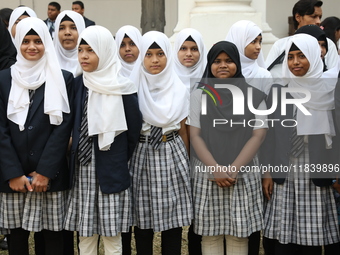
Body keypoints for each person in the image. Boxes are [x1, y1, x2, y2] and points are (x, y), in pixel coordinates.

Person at [64, 25, 142, 255]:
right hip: (83, 170)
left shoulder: (122, 87)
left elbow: (132, 131)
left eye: (91, 50)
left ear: (105, 51)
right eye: (81, 50)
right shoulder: (78, 84)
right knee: (86, 234)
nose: (84, 56)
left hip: (111, 167)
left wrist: (115, 157)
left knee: (111, 234)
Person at [0, 16, 74, 255]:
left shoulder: (63, 78)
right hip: (14, 177)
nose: (32, 46)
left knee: (53, 238)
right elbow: (0, 129)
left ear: (47, 43)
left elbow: (63, 127)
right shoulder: (3, 79)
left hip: (50, 176)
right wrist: (13, 172)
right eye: (26, 41)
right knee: (17, 239)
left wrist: (45, 171)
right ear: (17, 42)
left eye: (38, 41)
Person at [261, 33, 340, 255]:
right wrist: (267, 170)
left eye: (302, 56)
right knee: (282, 241)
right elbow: (268, 136)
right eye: (291, 56)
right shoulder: (278, 91)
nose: (295, 62)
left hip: (315, 170)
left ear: (315, 57)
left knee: (311, 242)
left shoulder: (329, 91)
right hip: (284, 171)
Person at [188, 40, 267, 255]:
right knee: (210, 235)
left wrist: (232, 169)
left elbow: (258, 136)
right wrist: (215, 168)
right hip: (208, 171)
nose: (223, 65)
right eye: (217, 61)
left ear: (238, 65)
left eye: (229, 61)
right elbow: (194, 135)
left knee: (238, 235)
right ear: (209, 65)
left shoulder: (255, 97)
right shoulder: (198, 96)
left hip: (243, 171)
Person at [129, 31, 192, 255]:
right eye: (148, 54)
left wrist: (186, 161)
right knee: (142, 219)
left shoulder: (179, 89)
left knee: (172, 221)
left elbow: (183, 130)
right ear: (141, 58)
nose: (155, 60)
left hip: (171, 150)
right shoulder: (131, 89)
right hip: (142, 153)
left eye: (160, 54)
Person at [265, 0, 339, 85]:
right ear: (298, 17)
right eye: (313, 16)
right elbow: (269, 75)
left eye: (320, 17)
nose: (318, 21)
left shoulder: (328, 44)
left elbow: (334, 75)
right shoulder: (281, 44)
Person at [225, 20, 272, 95]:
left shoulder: (263, 75)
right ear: (239, 41)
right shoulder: (223, 72)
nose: (258, 47)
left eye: (260, 41)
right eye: (253, 41)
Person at [173, 28, 207, 93]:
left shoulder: (208, 78)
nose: (189, 54)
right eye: (183, 48)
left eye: (194, 49)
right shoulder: (167, 79)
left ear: (201, 51)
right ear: (176, 50)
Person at [54, 10, 85, 77]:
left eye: (73, 28)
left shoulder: (90, 65)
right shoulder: (47, 65)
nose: (67, 32)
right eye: (61, 28)